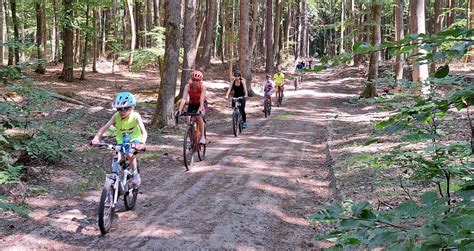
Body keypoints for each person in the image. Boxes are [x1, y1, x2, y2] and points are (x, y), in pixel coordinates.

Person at [91, 92, 148, 187]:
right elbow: (104, 128)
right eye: (119, 109)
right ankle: (115, 180)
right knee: (117, 159)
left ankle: (135, 174)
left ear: (132, 108)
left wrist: (142, 143)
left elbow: (144, 132)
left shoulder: (135, 116)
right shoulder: (116, 116)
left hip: (134, 139)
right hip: (121, 140)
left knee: (129, 153)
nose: (122, 112)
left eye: (125, 109)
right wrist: (96, 138)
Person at [177, 70, 208, 144]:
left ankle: (203, 137)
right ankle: (192, 141)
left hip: (202, 103)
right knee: (188, 120)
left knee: (199, 116)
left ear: (200, 81)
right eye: (194, 80)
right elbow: (184, 98)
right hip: (192, 103)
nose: (195, 82)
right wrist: (179, 110)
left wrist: (200, 109)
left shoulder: (203, 86)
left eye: (197, 80)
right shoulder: (187, 86)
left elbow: (201, 99)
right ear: (191, 80)